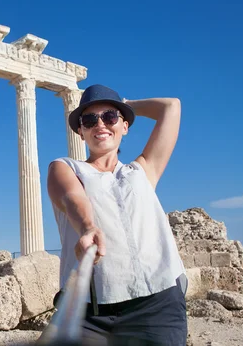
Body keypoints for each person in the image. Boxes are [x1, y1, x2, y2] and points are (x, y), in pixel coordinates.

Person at [47, 84, 187, 345]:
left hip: (157, 303)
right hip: (89, 311)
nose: (100, 124)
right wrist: (88, 227)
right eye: (89, 120)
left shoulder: (143, 170)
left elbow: (171, 107)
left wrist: (127, 105)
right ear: (81, 132)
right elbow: (71, 198)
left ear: (124, 126)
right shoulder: (65, 167)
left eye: (110, 117)